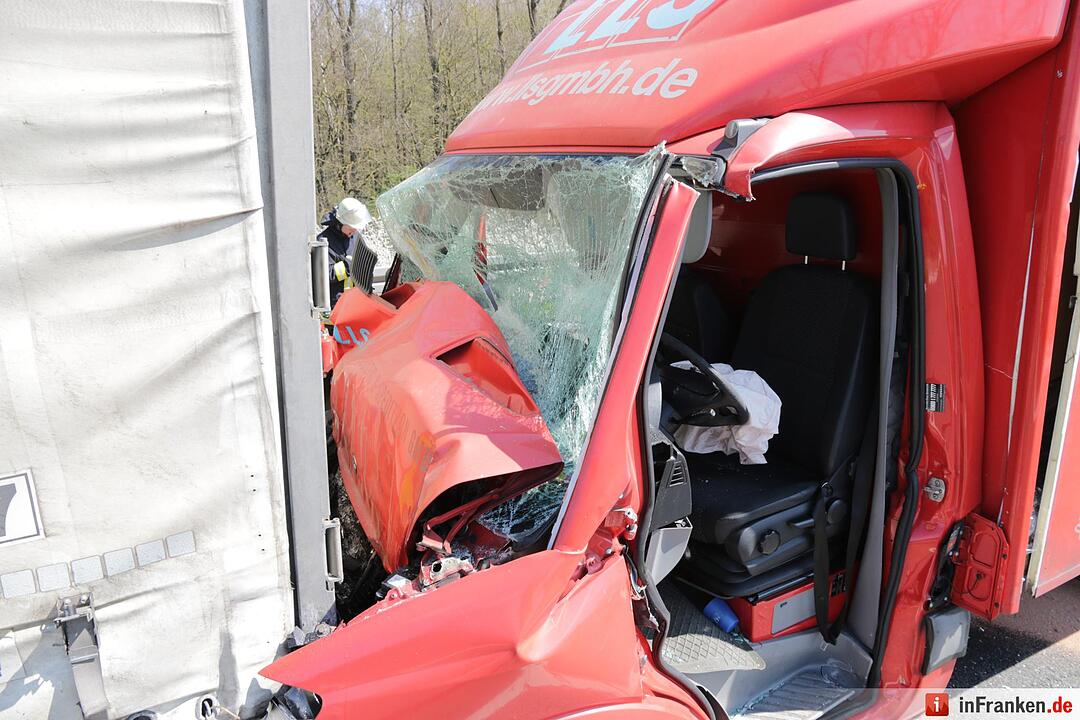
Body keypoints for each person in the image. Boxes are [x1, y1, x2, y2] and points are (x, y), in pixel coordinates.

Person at [318, 197, 379, 303]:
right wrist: (348, 266)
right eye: (351, 227)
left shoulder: (355, 237)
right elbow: (325, 274)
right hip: (336, 305)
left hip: (356, 300)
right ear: (340, 223)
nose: (354, 231)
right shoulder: (324, 242)